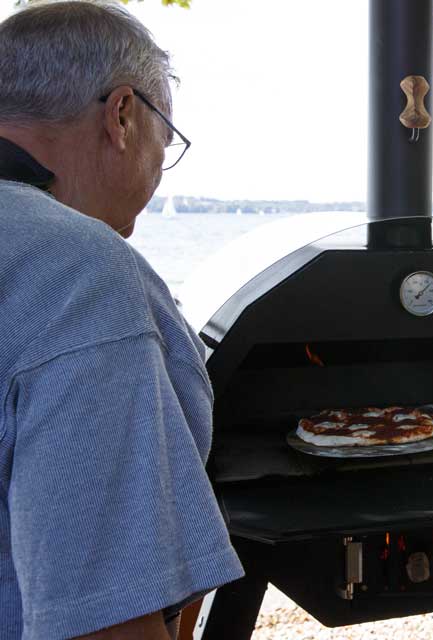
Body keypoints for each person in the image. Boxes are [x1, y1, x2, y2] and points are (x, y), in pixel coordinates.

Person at [0, 2, 244, 638]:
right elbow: (100, 617)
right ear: (123, 116)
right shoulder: (81, 272)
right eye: (168, 138)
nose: (162, 165)